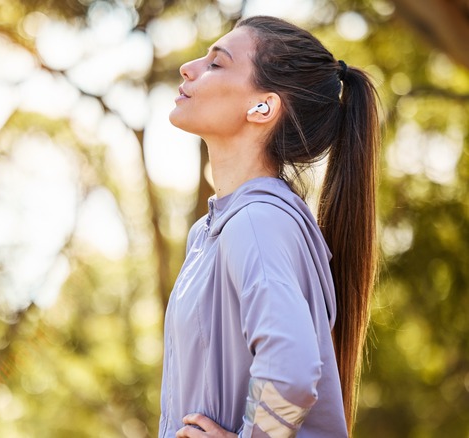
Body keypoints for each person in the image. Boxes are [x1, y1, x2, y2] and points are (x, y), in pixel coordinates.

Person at [159, 16, 380, 438]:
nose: (189, 68)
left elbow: (291, 368)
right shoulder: (211, 231)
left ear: (263, 107)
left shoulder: (258, 221)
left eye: (216, 64)